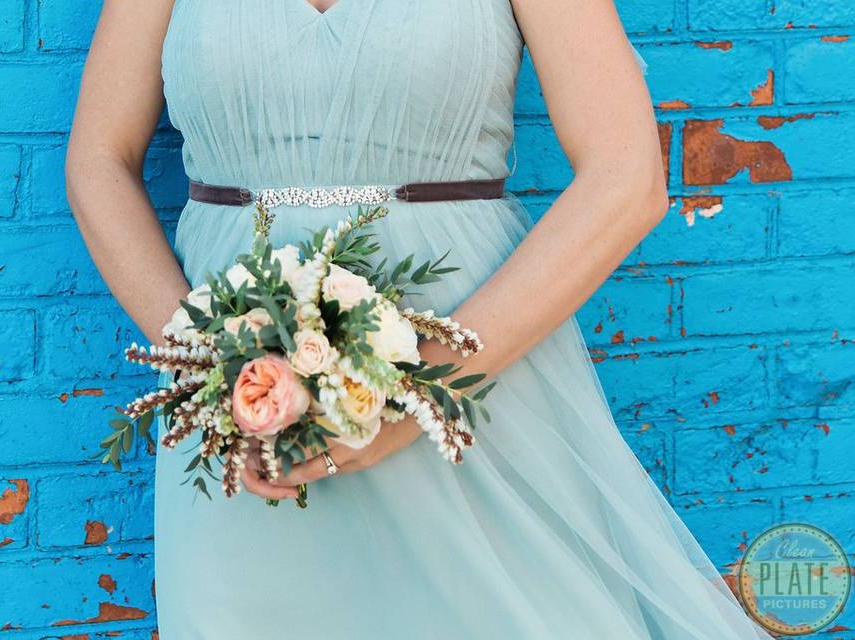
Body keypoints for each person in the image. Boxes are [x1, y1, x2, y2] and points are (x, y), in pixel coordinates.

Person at [65, 0, 774, 637]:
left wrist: (418, 394)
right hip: (249, 422)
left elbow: (627, 176)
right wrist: (215, 371)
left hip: (472, 395)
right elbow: (98, 161)